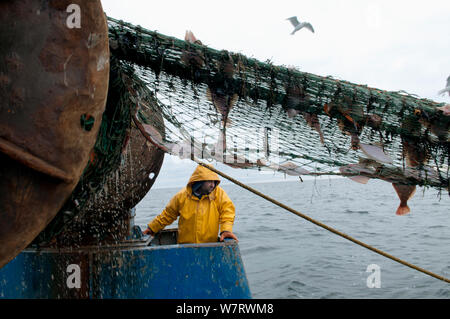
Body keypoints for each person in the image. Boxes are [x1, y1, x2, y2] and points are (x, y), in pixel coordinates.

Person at [142, 164, 238, 243]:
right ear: (200, 181)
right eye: (209, 181)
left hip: (209, 247)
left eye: (214, 181)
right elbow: (167, 215)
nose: (213, 185)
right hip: (185, 248)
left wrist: (226, 230)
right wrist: (152, 228)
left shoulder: (218, 194)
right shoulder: (181, 196)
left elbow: (228, 212)